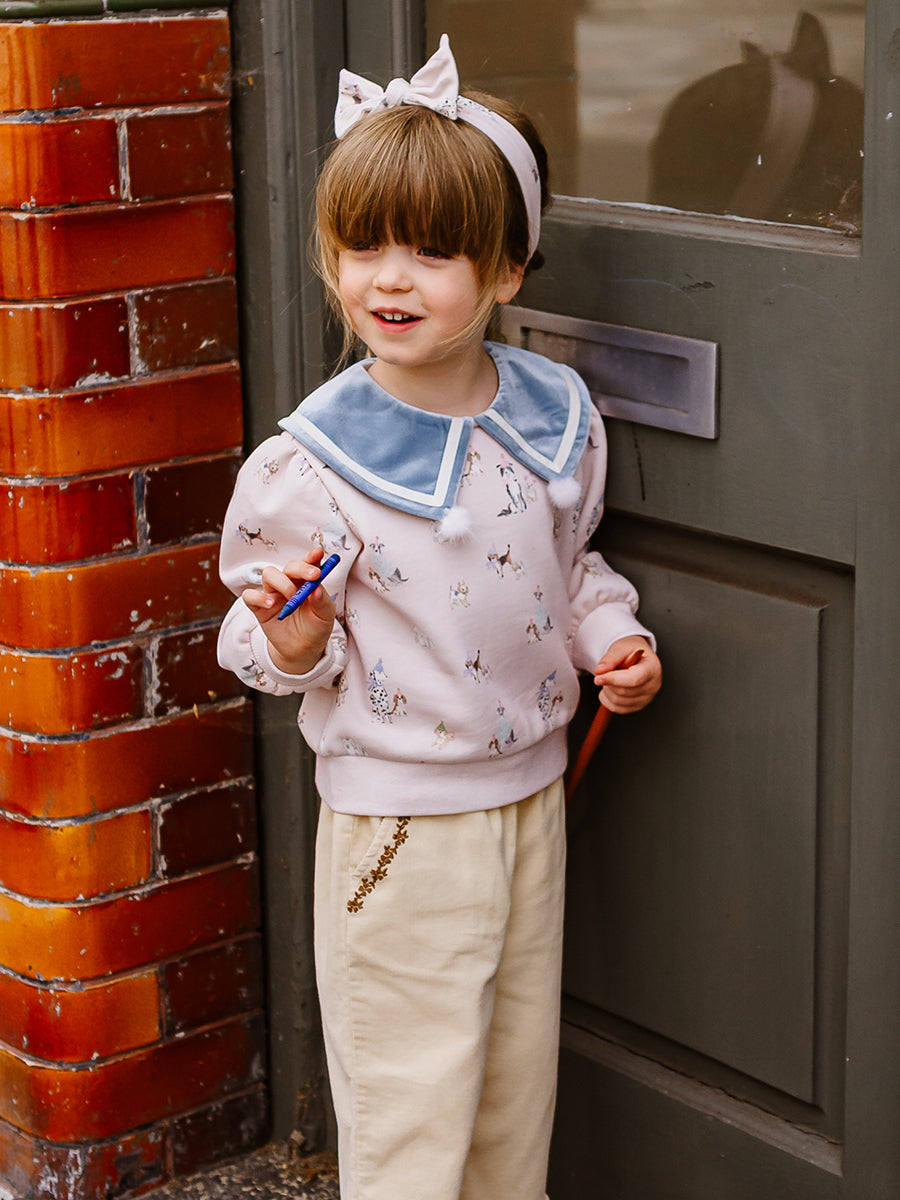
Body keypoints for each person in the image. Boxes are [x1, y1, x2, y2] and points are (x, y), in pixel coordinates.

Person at [217, 34, 662, 1200]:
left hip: (532, 801)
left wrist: (612, 640)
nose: (390, 280)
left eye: (431, 251)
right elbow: (255, 638)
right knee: (411, 1115)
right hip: (401, 827)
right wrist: (296, 639)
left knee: (514, 1100)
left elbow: (569, 569)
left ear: (508, 271)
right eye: (362, 247)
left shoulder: (553, 415)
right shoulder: (315, 466)